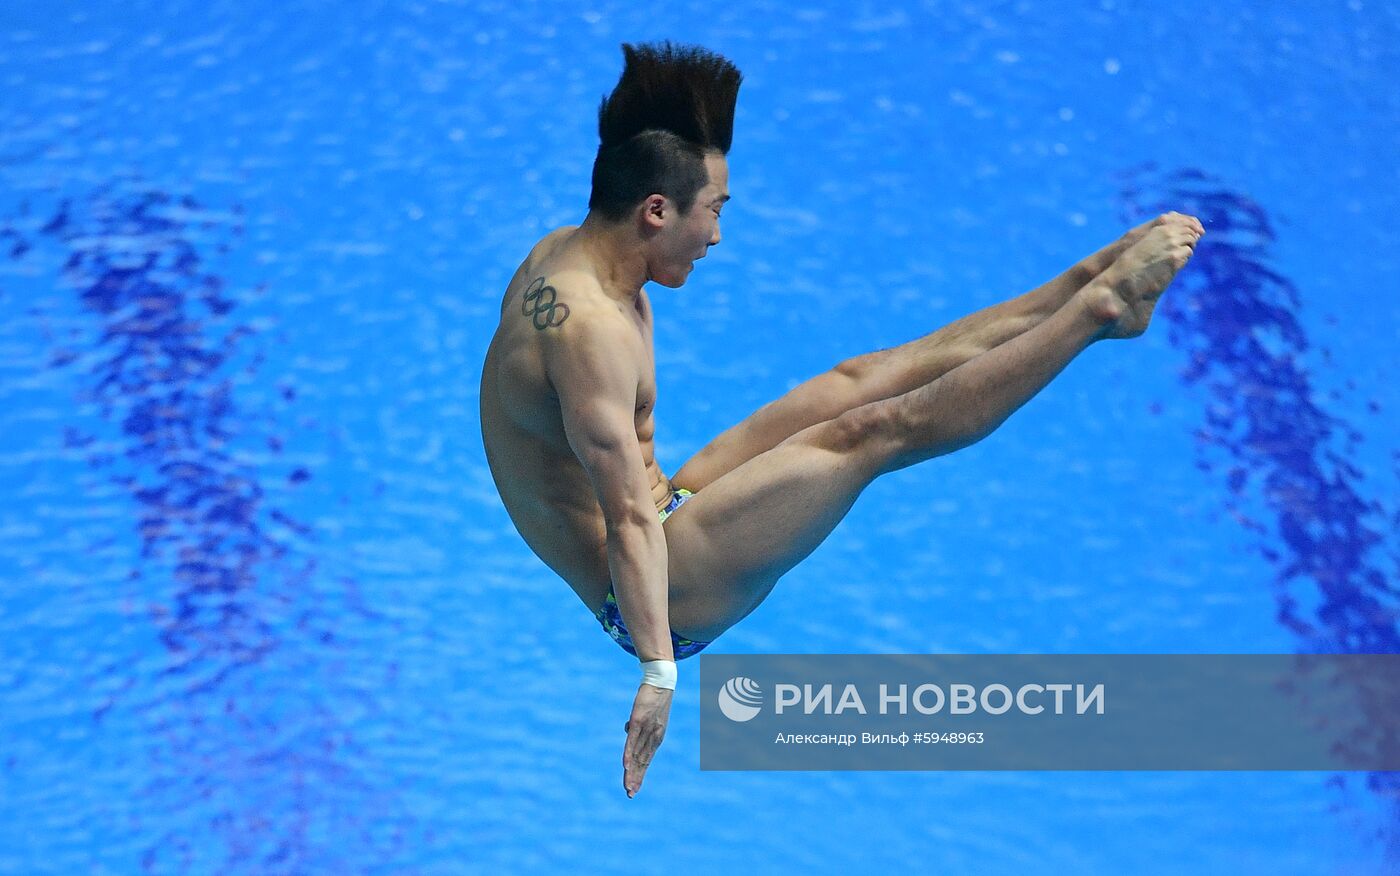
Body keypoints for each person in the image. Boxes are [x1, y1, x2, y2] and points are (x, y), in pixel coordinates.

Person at [478, 41, 1205, 798]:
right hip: (655, 592)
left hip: (672, 512)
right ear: (656, 210)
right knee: (868, 434)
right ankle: (1102, 309)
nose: (718, 236)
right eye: (715, 211)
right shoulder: (586, 330)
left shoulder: (570, 252)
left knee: (853, 382)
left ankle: (1079, 282)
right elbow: (628, 518)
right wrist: (659, 678)